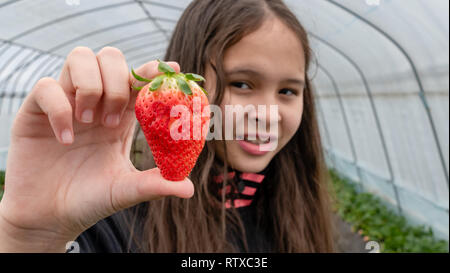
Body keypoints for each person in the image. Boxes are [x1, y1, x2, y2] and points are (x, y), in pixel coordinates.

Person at [0, 0, 335, 253]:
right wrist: (27, 236)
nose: (268, 113)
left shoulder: (297, 208)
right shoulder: (113, 221)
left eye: (288, 91)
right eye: (242, 84)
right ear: (190, 82)